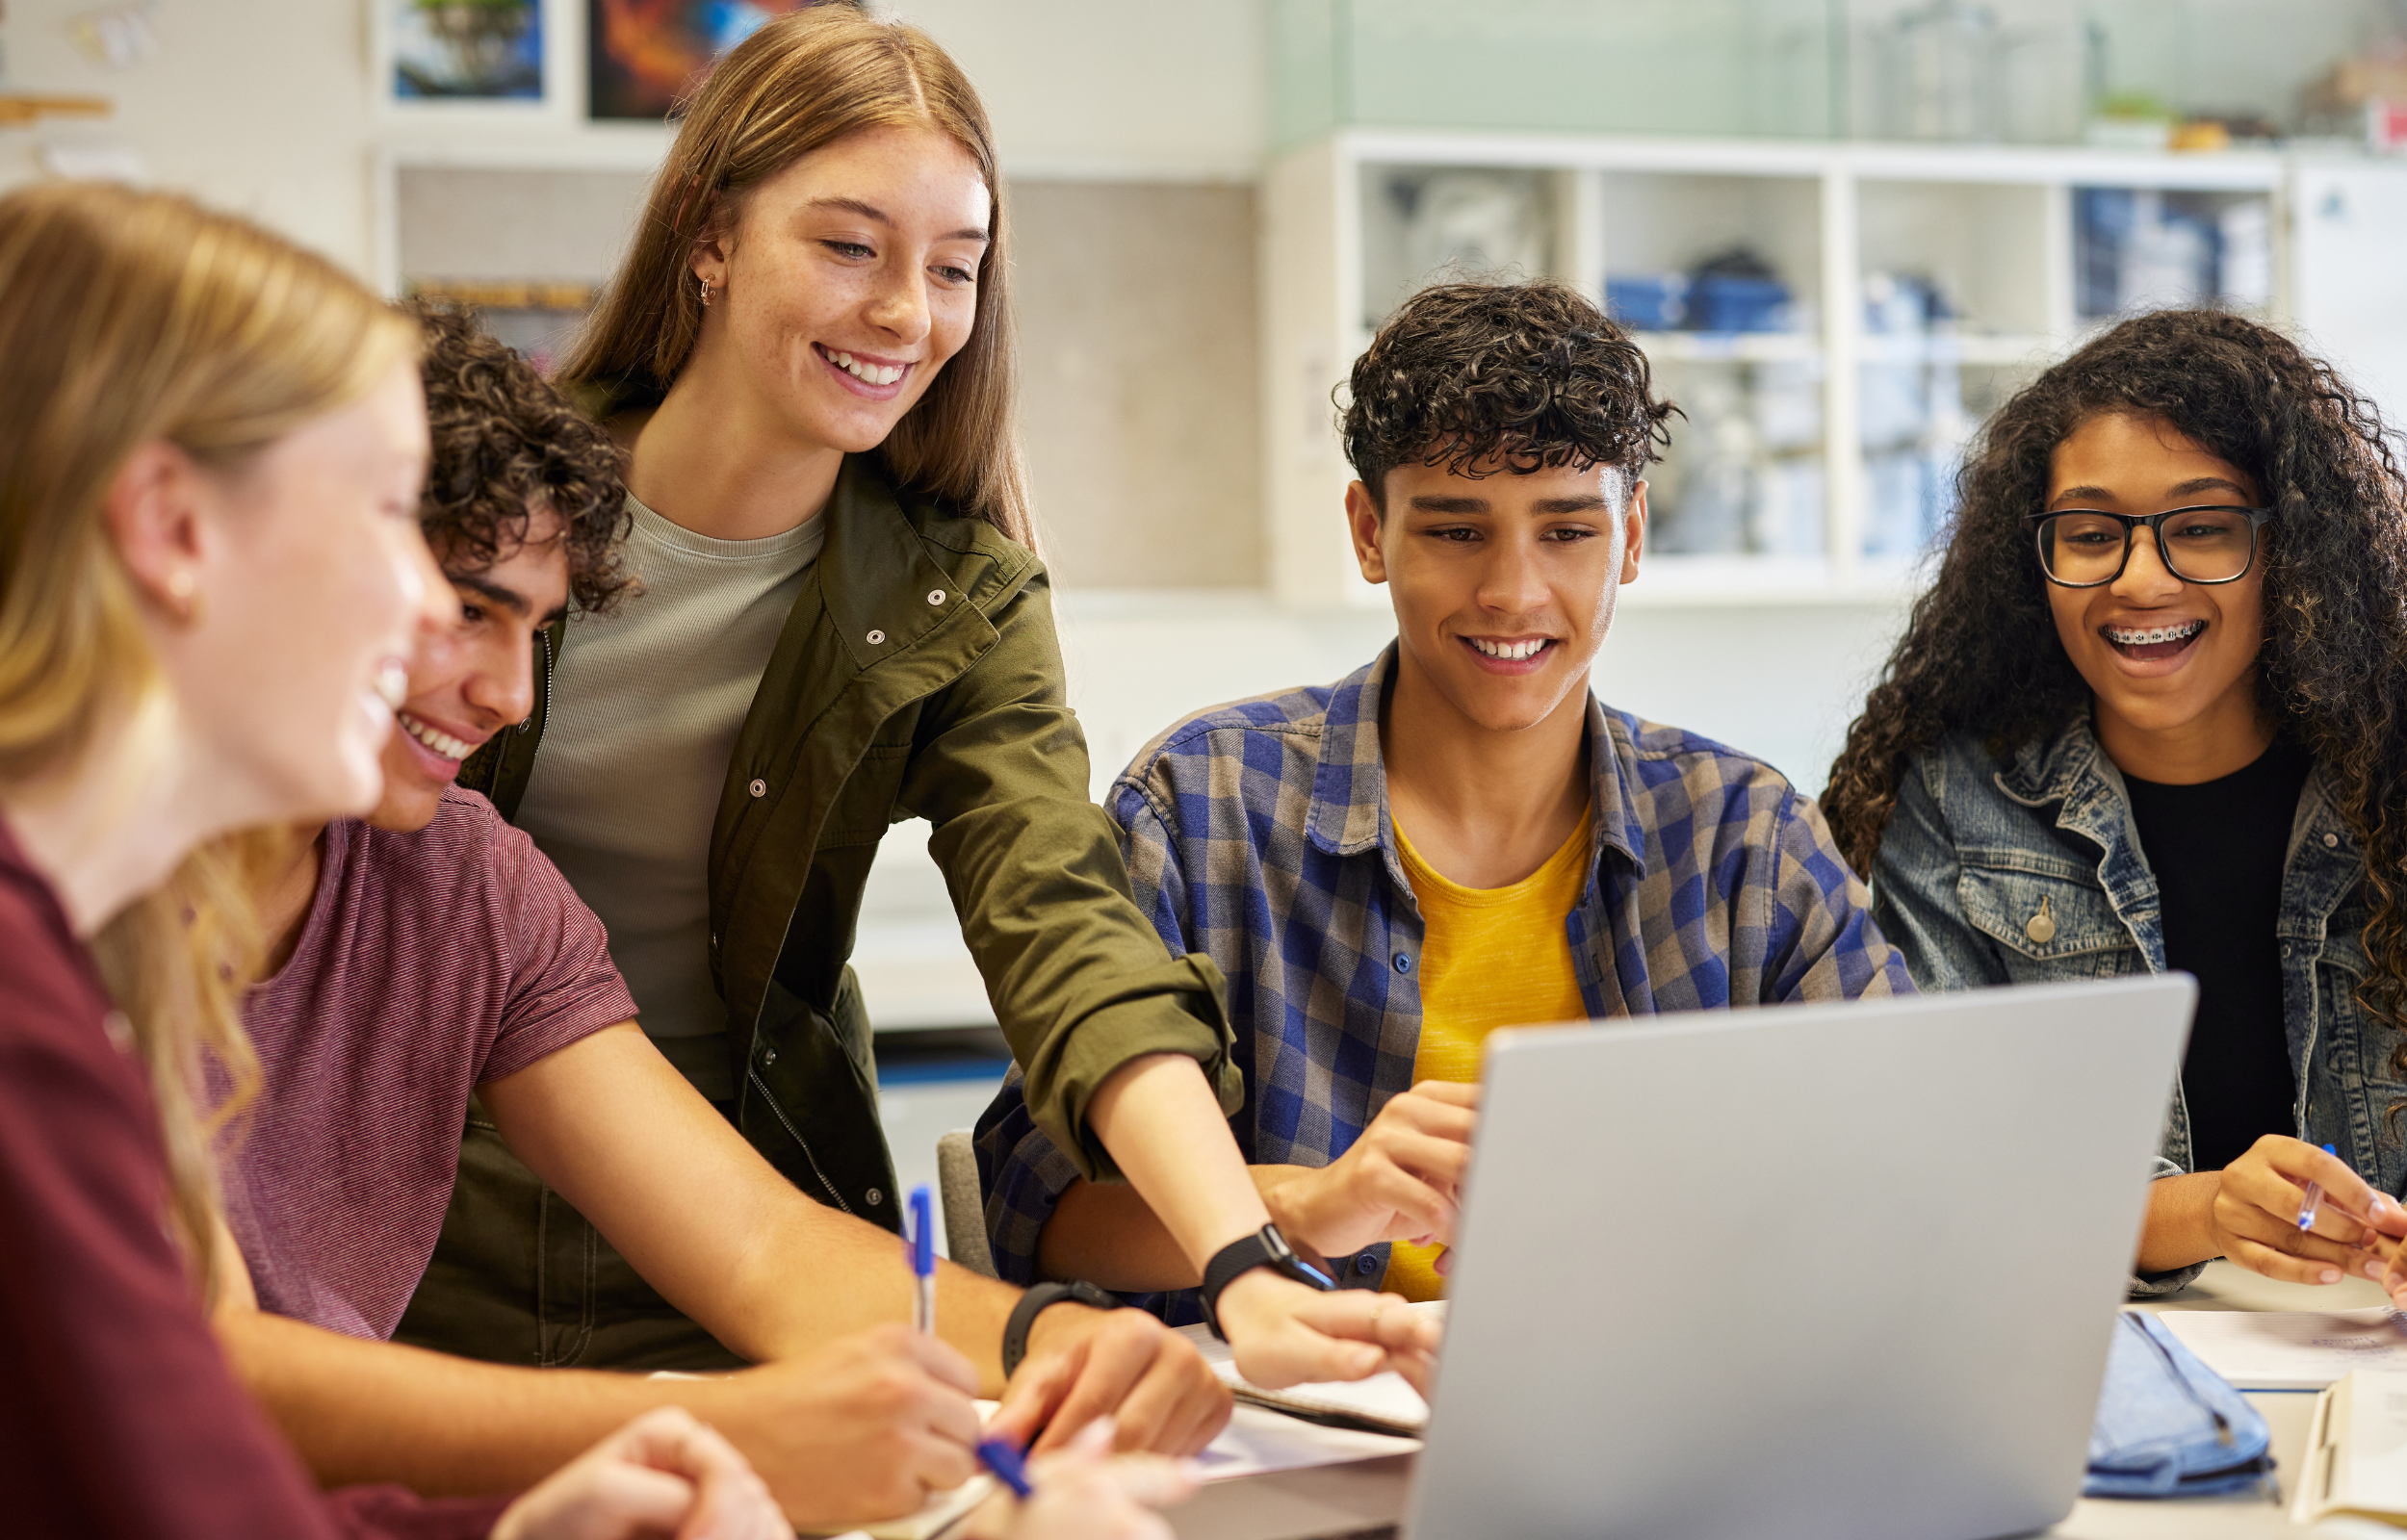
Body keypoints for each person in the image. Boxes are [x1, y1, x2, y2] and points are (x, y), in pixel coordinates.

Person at [406, 4, 1428, 1399]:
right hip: (416, 1213)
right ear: (710, 236)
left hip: (761, 1234)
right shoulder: (483, 496)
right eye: (847, 246)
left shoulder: (960, 595)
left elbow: (1063, 920)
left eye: (955, 268)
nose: (905, 313)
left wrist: (1241, 1256)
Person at [212, 303, 1222, 1527]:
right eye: (470, 610)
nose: (506, 693)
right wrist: (734, 1425)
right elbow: (195, 1374)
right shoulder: (76, 894)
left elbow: (754, 1245)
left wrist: (1053, 1340)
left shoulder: (466, 886)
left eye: (537, 630)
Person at [0, 178, 789, 1540]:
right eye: (383, 517)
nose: (429, 610)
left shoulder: (92, 945)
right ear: (175, 530)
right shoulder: (31, 992)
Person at [976, 280, 1914, 1313]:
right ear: (1370, 532)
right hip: (1305, 1435)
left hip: (1656, 1413)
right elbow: (1037, 1213)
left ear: (1632, 535)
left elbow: (1902, 1166)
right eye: (1457, 533)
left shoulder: (1743, 835)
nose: (1512, 590)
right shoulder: (1203, 809)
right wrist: (1315, 1204)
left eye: (1566, 532)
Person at [1820, 306, 2407, 1296]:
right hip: (2105, 1355)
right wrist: (2209, 1207)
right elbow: (1942, 1185)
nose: (2140, 580)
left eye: (2202, 528)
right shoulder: (1957, 800)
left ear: (2293, 552)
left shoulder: (2388, 775)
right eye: (2091, 534)